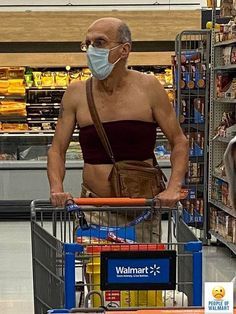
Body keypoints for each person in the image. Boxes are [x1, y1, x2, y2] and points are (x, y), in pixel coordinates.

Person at [47, 17, 189, 241]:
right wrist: (57, 188)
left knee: (140, 273)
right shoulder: (76, 93)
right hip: (94, 209)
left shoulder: (149, 88)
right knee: (97, 274)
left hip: (141, 209)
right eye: (88, 44)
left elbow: (179, 141)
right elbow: (57, 149)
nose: (92, 50)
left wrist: (173, 187)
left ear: (124, 49)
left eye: (100, 43)